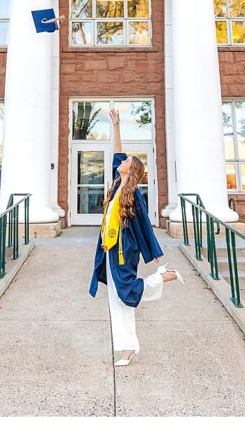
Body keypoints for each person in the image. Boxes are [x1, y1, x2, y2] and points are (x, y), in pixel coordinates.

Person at [88, 109, 183, 366]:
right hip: (108, 249)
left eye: (125, 161)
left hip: (123, 252)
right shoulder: (118, 184)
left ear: (130, 170)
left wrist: (156, 255)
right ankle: (128, 348)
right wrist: (116, 126)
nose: (120, 160)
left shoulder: (134, 196)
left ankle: (163, 276)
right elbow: (117, 152)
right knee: (117, 299)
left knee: (126, 292)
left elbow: (144, 228)